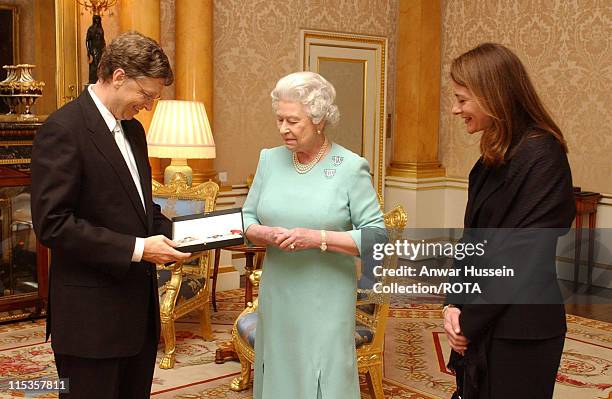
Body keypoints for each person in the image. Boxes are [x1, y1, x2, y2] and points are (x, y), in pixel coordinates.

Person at [31, 31, 190, 398]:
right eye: (146, 95)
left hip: (137, 315)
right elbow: (53, 224)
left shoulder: (133, 131)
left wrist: (187, 233)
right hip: (90, 322)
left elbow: (137, 207)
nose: (148, 105)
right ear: (118, 77)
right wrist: (138, 249)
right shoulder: (63, 129)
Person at [443, 43, 576, 399]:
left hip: (522, 330)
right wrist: (454, 303)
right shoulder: (494, 153)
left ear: (492, 96)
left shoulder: (542, 154)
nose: (455, 109)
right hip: (484, 317)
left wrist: (468, 324)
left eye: (462, 99)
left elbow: (521, 257)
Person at [242, 71, 385, 399]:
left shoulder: (349, 167)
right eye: (279, 119)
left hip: (326, 295)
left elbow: (376, 236)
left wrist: (318, 239)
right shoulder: (269, 159)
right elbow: (247, 217)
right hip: (279, 289)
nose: (283, 129)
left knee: (324, 374)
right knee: (279, 368)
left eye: (293, 121)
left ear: (319, 120)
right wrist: (263, 232)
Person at [86, 15, 105, 84]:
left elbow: (102, 39)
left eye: (98, 19)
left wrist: (104, 48)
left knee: (101, 64)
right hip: (93, 49)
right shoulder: (91, 29)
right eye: (96, 19)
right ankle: (93, 80)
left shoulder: (101, 29)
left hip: (100, 49)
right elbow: (87, 41)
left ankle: (100, 79)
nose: (97, 21)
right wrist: (88, 51)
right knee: (94, 65)